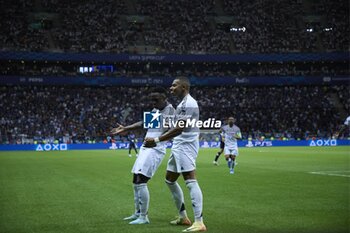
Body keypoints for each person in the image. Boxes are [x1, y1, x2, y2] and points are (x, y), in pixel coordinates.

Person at [144, 77, 207, 232]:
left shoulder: (188, 103)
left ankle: (199, 222)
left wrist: (157, 140)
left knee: (190, 180)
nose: (171, 88)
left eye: (174, 85)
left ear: (184, 87)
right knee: (170, 180)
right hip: (179, 145)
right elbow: (174, 126)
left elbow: (180, 128)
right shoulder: (182, 104)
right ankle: (183, 217)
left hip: (185, 146)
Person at [110, 87, 175, 225]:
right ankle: (137, 213)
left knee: (141, 180)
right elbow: (145, 123)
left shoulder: (170, 111)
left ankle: (144, 217)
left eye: (156, 100)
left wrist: (157, 141)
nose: (153, 103)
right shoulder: (157, 110)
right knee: (135, 179)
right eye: (151, 100)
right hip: (146, 147)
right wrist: (125, 128)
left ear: (164, 98)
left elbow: (172, 131)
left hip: (155, 149)